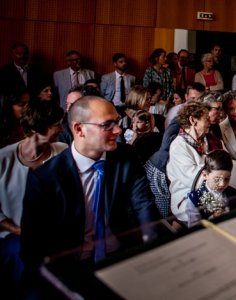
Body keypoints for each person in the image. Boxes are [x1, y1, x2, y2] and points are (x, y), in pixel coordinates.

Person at [21, 97, 159, 273]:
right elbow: (33, 245)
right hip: (70, 265)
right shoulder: (45, 178)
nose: (117, 130)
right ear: (79, 129)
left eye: (116, 122)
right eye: (107, 125)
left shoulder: (126, 156)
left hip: (120, 253)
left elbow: (143, 203)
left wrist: (152, 251)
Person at [0, 100, 67, 290]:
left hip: (55, 234)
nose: (62, 129)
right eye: (56, 125)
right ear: (37, 128)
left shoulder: (64, 152)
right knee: (22, 257)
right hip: (13, 236)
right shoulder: (2, 158)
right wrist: (17, 229)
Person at [167, 101, 225, 222]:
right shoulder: (178, 146)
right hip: (188, 195)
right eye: (206, 119)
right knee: (223, 212)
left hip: (216, 187)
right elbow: (194, 179)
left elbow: (226, 162)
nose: (209, 122)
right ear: (193, 120)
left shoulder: (209, 140)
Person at [185, 150, 236, 227]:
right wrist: (213, 218)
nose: (222, 184)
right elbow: (194, 228)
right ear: (204, 175)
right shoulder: (195, 199)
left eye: (227, 179)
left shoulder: (233, 192)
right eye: (217, 179)